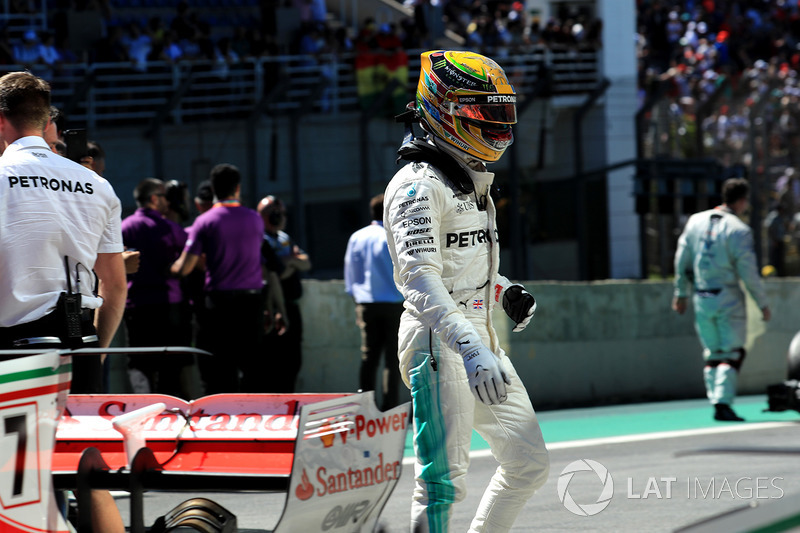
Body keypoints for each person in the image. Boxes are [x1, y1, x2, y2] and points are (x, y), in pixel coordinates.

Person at [383, 50, 549, 532]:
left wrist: (504, 291)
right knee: (441, 484)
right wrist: (471, 346)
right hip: (438, 340)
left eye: (501, 112)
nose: (496, 124)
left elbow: (462, 265)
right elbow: (419, 280)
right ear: (442, 108)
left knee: (528, 462)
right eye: (483, 112)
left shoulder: (467, 179)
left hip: (477, 338)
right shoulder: (416, 186)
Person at [0, 71, 126, 533]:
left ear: (0, 122)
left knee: (19, 484)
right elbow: (116, 287)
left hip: (13, 351)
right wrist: (99, 347)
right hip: (81, 340)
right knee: (91, 475)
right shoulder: (96, 184)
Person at [673, 177, 772, 422]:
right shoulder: (738, 229)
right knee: (733, 352)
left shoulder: (695, 221)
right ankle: (722, 403)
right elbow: (748, 272)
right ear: (742, 200)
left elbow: (681, 259)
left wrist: (680, 292)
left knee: (713, 352)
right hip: (727, 296)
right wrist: (762, 303)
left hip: (701, 296)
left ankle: (716, 400)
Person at [172, 164, 265, 393]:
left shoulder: (205, 221)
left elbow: (185, 267)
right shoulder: (255, 218)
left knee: (219, 370)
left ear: (213, 188)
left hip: (219, 305)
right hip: (252, 303)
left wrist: (169, 269)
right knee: (252, 366)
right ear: (238, 188)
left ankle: (221, 420)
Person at [121, 178, 191, 397]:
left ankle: (142, 405)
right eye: (163, 197)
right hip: (167, 304)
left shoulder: (124, 227)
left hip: (135, 305)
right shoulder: (169, 227)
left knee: (140, 360)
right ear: (153, 199)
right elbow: (191, 255)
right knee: (169, 362)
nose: (167, 203)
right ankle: (169, 412)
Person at [344, 193, 405, 410]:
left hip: (366, 303)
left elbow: (350, 275)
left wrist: (357, 301)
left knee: (368, 357)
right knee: (392, 359)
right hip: (394, 304)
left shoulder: (357, 237)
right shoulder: (394, 236)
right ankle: (390, 409)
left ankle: (365, 407)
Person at [257, 195, 311, 392]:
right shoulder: (260, 239)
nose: (280, 218)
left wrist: (287, 262)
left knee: (293, 360)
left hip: (292, 305)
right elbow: (275, 274)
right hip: (273, 306)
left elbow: (305, 261)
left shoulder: (283, 238)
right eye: (274, 214)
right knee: (273, 362)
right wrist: (290, 262)